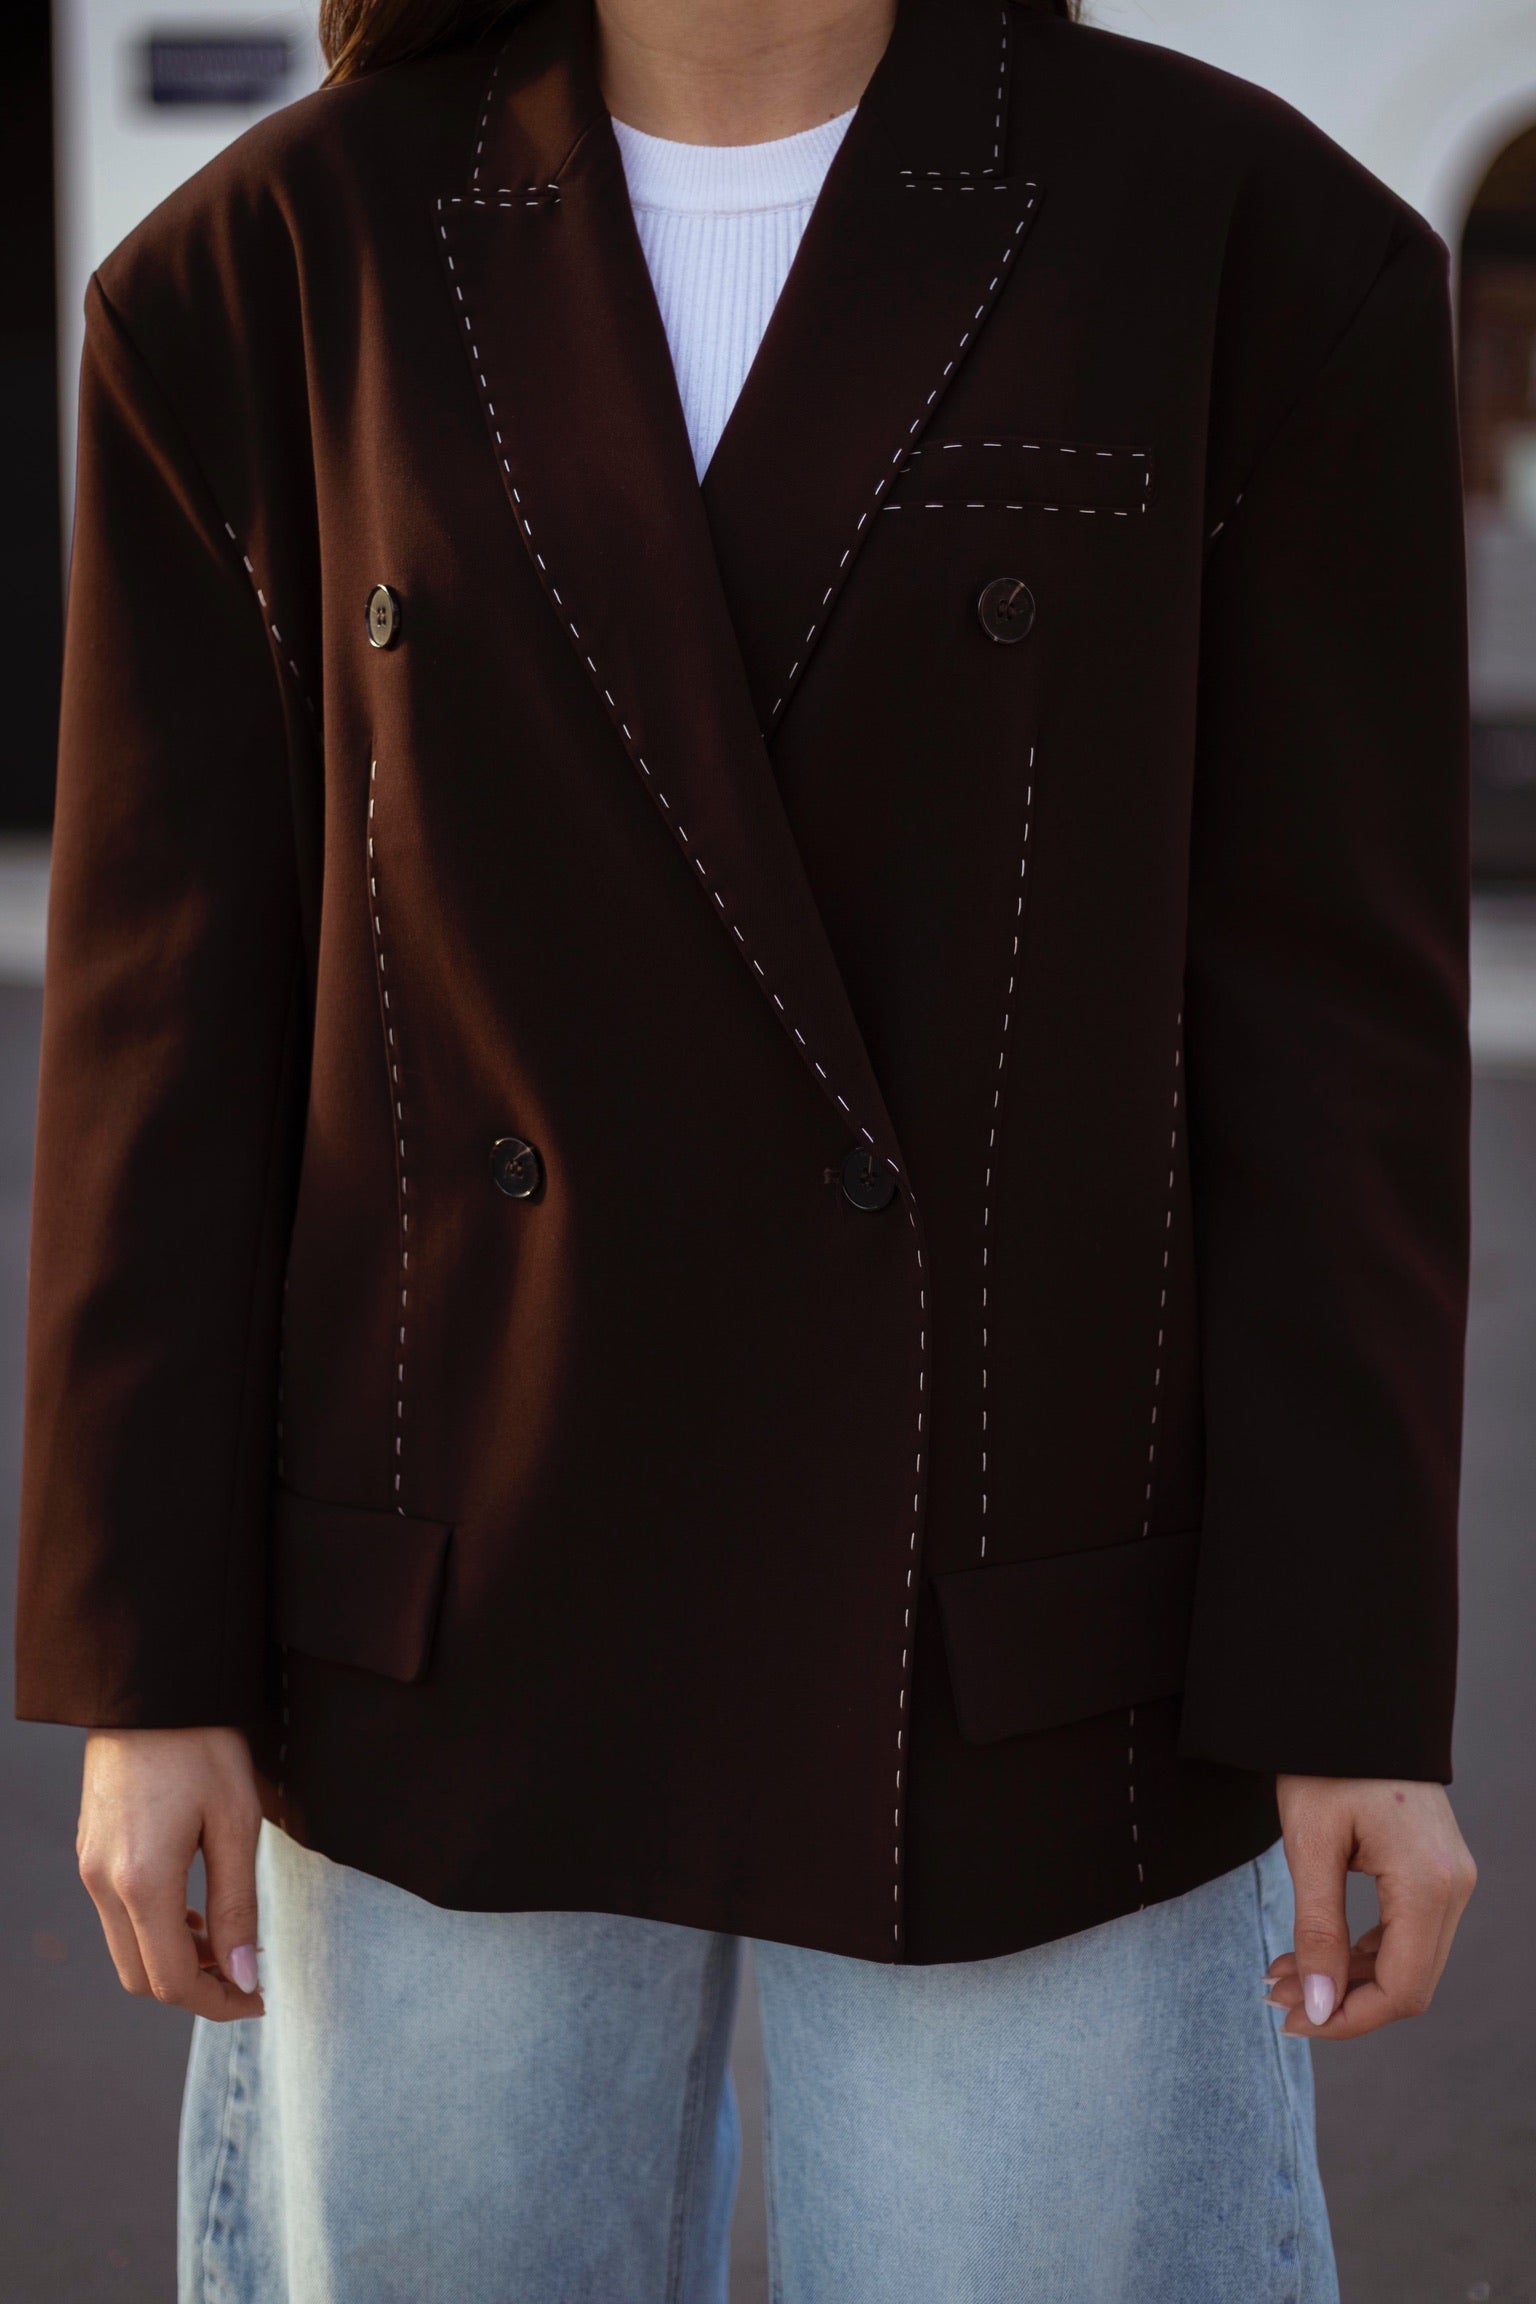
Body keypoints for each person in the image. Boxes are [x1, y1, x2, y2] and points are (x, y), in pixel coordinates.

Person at [16, 0, 1478, 2295]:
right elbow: (166, 1021)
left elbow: (1330, 1040)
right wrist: (151, 1662)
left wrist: (1349, 1684)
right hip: (444, 1630)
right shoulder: (269, 270)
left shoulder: (1253, 247)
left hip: (1026, 1631)